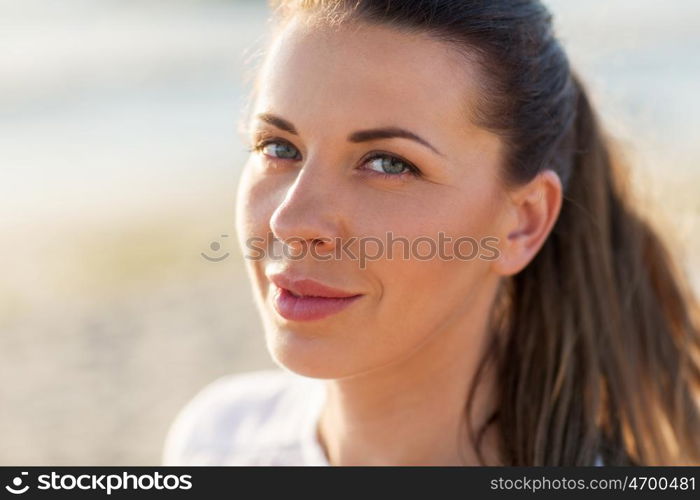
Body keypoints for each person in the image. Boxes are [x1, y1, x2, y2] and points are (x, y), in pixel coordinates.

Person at [162, 0, 700, 466]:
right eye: (279, 147)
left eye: (388, 164)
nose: (291, 222)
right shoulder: (216, 443)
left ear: (523, 222)